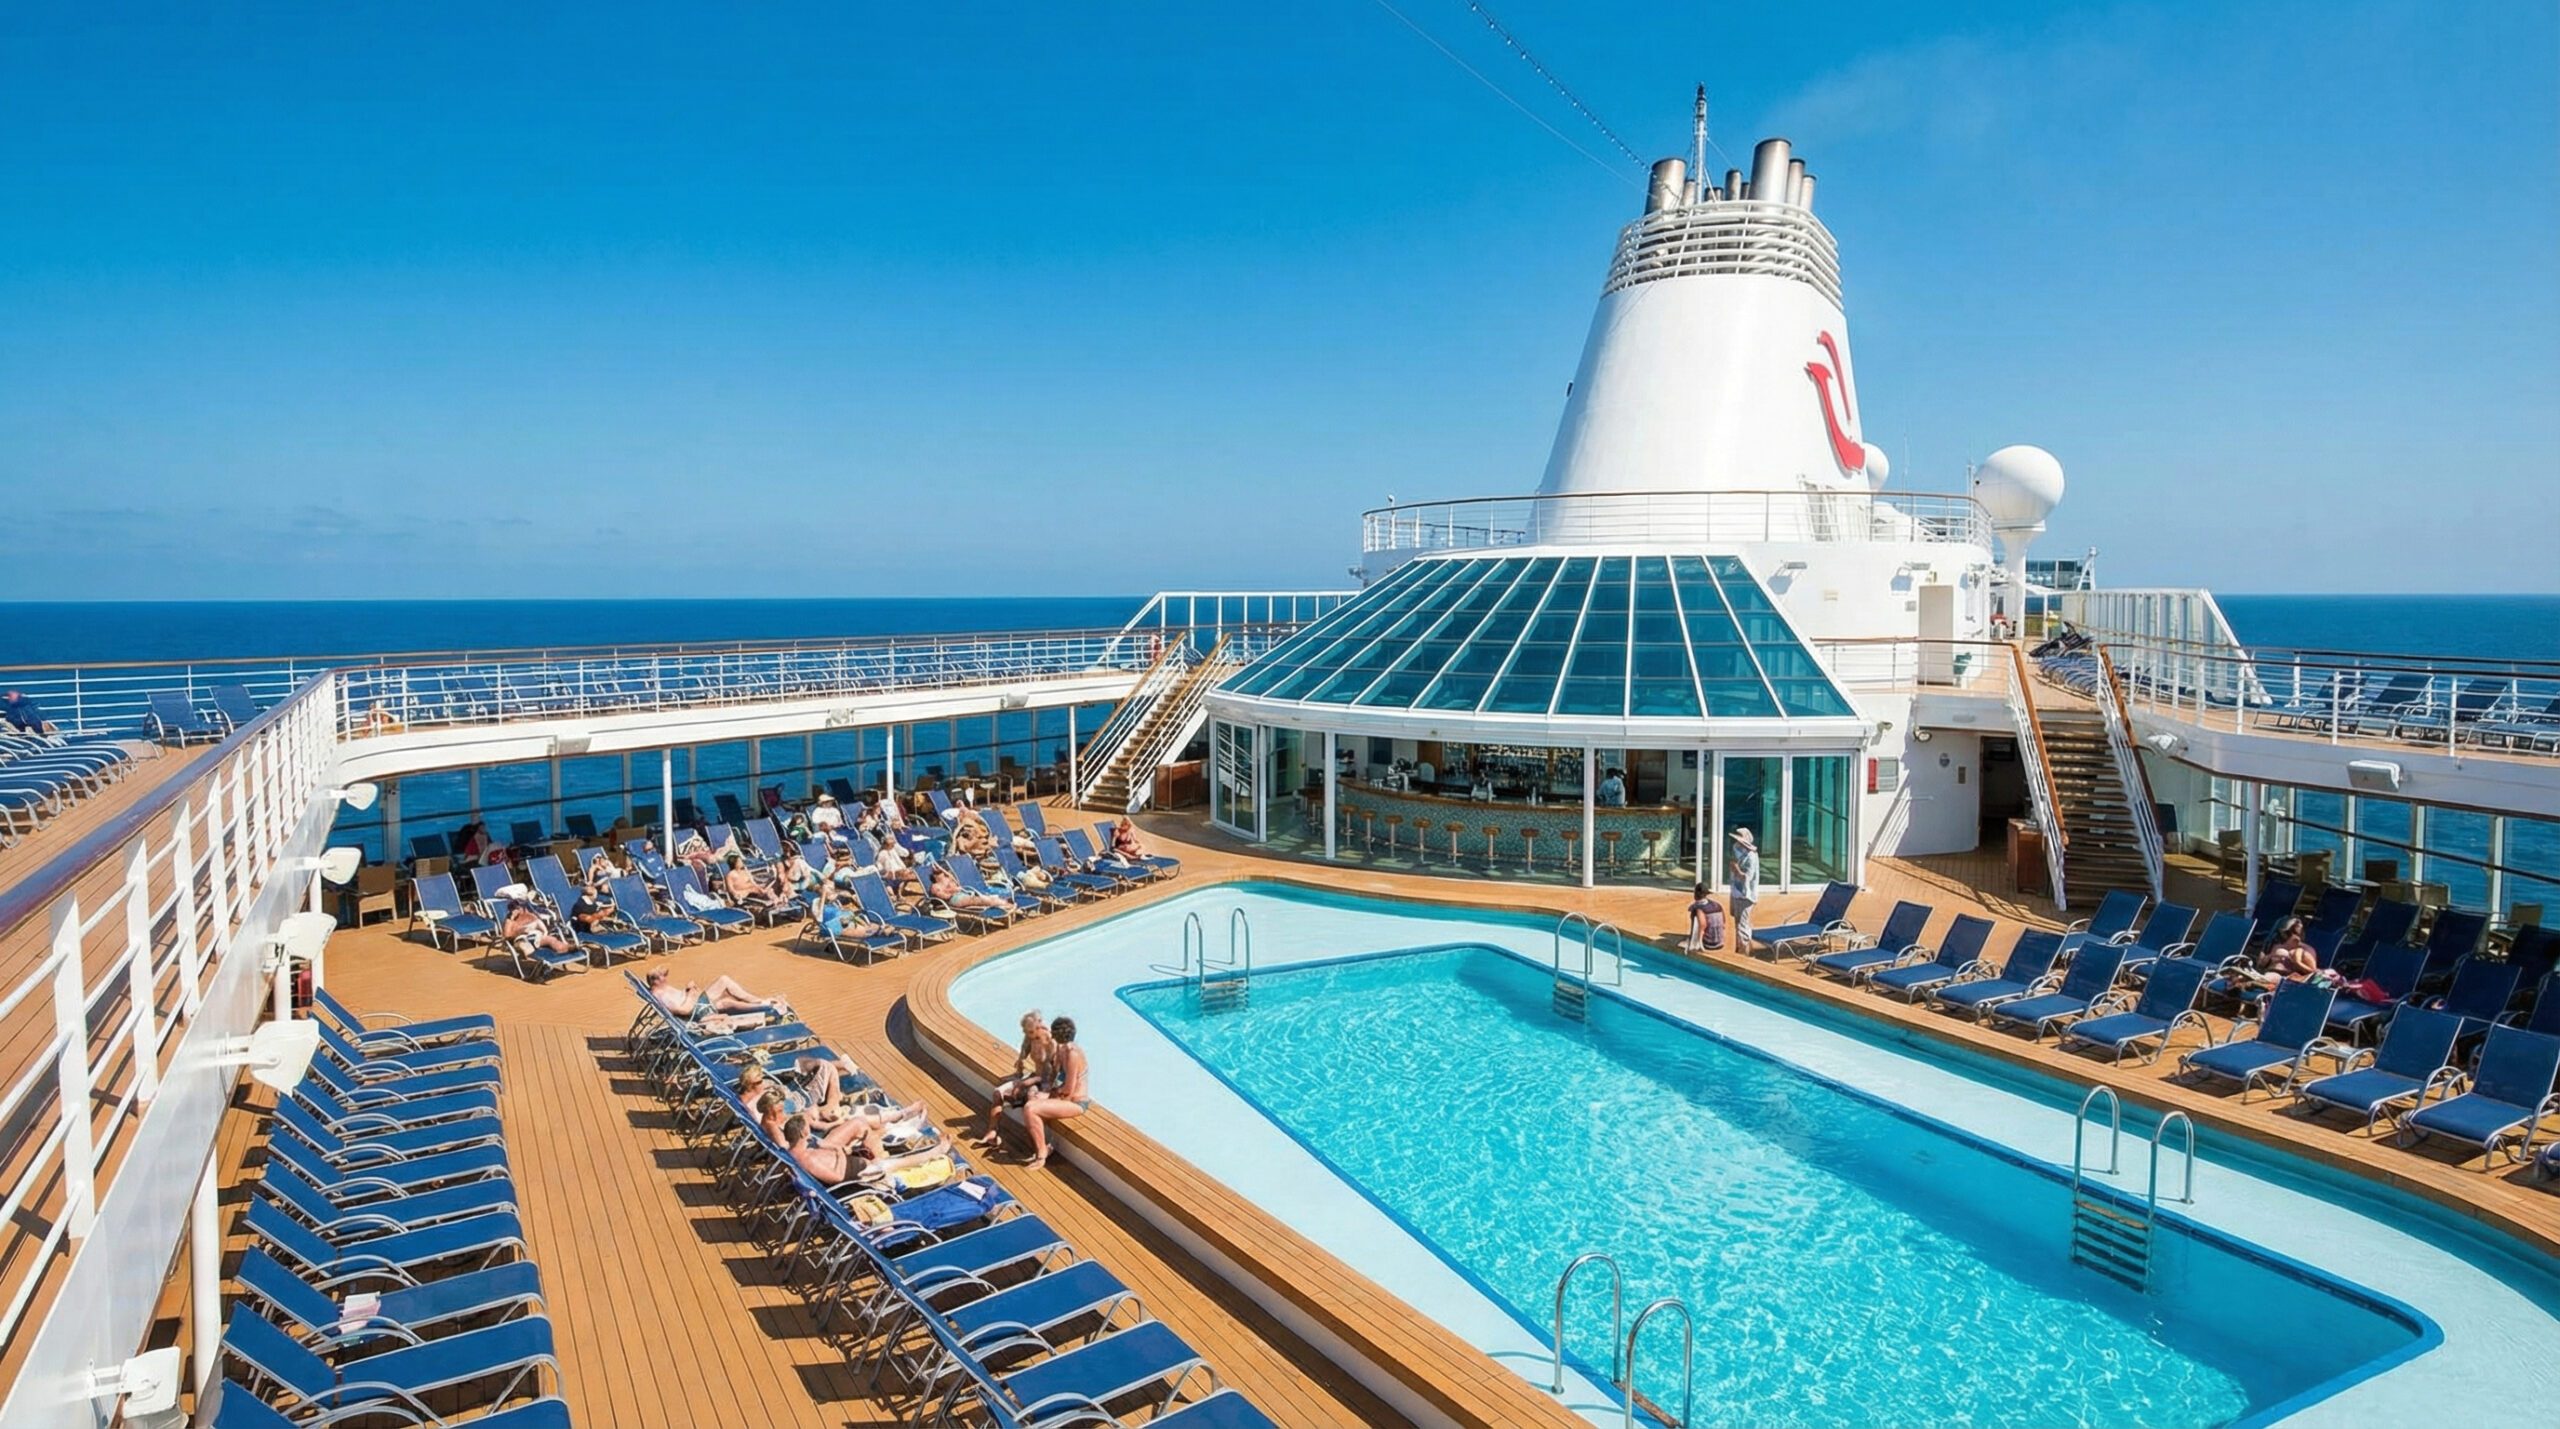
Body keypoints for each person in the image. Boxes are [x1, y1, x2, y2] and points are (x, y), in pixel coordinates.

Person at [784, 1112, 948, 1187]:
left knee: (858, 1123)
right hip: (853, 1170)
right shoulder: (809, 1161)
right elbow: (837, 1178)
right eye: (808, 1129)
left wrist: (831, 1147)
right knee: (885, 1165)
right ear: (803, 1133)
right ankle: (936, 1152)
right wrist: (840, 1152)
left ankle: (883, 1146)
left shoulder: (790, 1151)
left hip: (826, 1153)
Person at [975, 1011, 1055, 1147]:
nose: (1028, 1034)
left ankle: (1039, 1144)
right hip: (1034, 1078)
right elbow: (1024, 1052)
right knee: (998, 1092)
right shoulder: (1031, 1037)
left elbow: (1055, 1075)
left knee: (1031, 1100)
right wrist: (1019, 1070)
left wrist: (1030, 1082)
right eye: (1027, 1032)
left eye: (1030, 1031)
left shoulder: (1052, 1043)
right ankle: (992, 1132)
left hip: (1046, 1084)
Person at [1021, 1016, 1088, 1171]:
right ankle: (1043, 1145)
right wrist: (1045, 1093)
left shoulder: (1072, 1054)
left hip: (1076, 1103)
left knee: (1031, 1109)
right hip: (1065, 1098)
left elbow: (1068, 1090)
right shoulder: (1062, 1049)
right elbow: (1055, 1077)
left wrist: (1050, 1096)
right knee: (1031, 1097)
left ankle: (1041, 1155)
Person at [645, 966, 788, 1020]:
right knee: (726, 999)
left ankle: (761, 1002)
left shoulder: (661, 990)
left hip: (698, 1003)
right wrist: (691, 994)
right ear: (656, 980)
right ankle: (765, 1005)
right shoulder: (662, 996)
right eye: (663, 976)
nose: (666, 978)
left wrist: (689, 990)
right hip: (696, 1010)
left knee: (724, 983)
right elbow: (684, 1010)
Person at [2233, 917, 2319, 994]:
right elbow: (2261, 965)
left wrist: (2296, 962)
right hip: (2265, 972)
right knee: (2240, 977)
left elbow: (2312, 973)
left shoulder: (2306, 950)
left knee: (2268, 978)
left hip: (2285, 979)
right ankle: (2241, 985)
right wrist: (2270, 956)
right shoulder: (2275, 944)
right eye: (2286, 933)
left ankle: (2248, 985)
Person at [501, 901, 577, 964]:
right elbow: (507, 936)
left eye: (518, 908)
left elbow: (540, 926)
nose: (516, 910)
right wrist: (519, 931)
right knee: (526, 947)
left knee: (551, 940)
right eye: (513, 909)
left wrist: (542, 933)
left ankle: (566, 949)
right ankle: (535, 964)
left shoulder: (530, 916)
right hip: (520, 940)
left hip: (536, 937)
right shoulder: (509, 921)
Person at [927, 857, 1007, 915]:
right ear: (934, 876)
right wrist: (954, 890)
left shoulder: (948, 879)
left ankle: (1000, 903)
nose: (943, 873)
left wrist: (944, 871)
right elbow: (945, 897)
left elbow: (956, 882)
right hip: (954, 899)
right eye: (939, 873)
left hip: (961, 894)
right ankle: (1001, 903)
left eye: (943, 872)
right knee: (976, 900)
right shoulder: (935, 886)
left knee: (979, 898)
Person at [1726, 827, 1759, 952]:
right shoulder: (1737, 851)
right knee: (1738, 922)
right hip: (1736, 892)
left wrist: (1736, 869)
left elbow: (1747, 878)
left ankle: (1743, 950)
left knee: (1742, 924)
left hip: (1745, 896)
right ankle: (1739, 946)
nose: (1737, 843)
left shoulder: (1751, 857)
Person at [1682, 881, 1726, 954]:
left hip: (1709, 944)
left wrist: (1699, 945)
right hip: (1720, 943)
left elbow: (1702, 925)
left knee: (1695, 913)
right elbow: (1723, 923)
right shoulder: (1718, 905)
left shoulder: (1698, 908)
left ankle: (1695, 942)